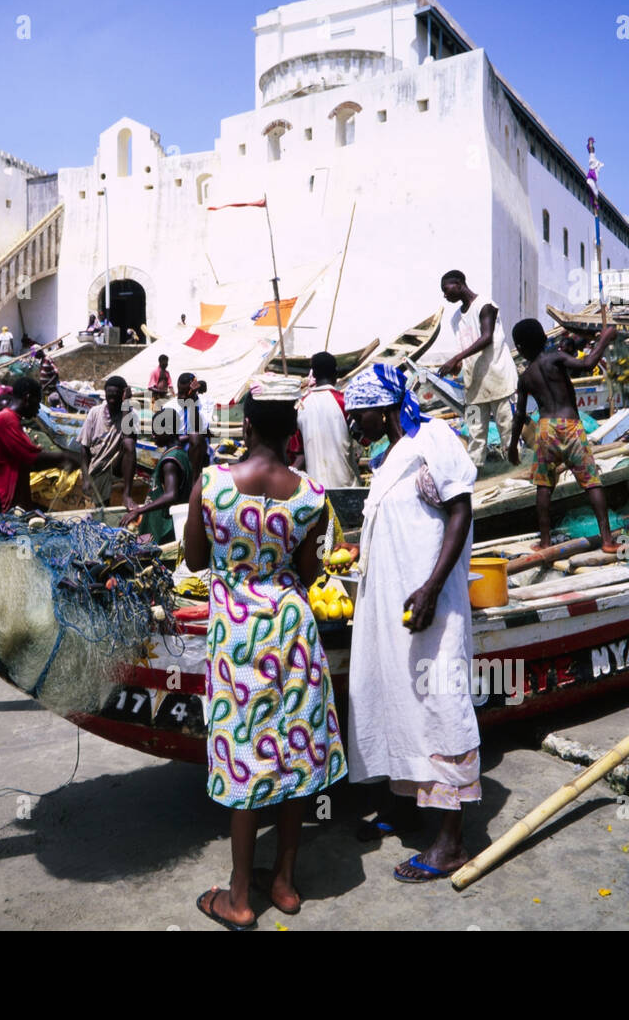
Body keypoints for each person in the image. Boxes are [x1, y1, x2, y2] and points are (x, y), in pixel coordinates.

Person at [184, 380, 345, 929]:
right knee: (292, 751)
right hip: (293, 633)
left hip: (237, 636)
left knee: (243, 755)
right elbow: (307, 574)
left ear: (246, 426)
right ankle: (283, 882)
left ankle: (237, 896)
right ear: (293, 433)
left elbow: (194, 559)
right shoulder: (312, 496)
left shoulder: (210, 484)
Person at [343, 362, 480, 881]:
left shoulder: (434, 439)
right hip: (392, 607)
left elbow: (460, 511)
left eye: (361, 418)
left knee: (439, 703)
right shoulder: (389, 459)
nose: (357, 430)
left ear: (384, 408)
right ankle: (404, 805)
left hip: (431, 606)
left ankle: (451, 840)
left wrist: (431, 586)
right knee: (395, 698)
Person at [509, 319, 619, 552]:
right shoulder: (556, 358)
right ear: (543, 339)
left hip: (546, 428)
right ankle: (608, 540)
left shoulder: (526, 376)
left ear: (520, 348)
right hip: (571, 425)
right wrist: (604, 340)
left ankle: (546, 542)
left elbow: (519, 415)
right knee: (591, 482)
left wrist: (511, 446)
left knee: (544, 486)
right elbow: (588, 363)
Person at [438, 269, 518, 468]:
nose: (444, 295)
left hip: (499, 381)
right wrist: (456, 365)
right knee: (474, 433)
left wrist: (456, 358)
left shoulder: (485, 306)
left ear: (458, 283)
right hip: (473, 388)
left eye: (446, 289)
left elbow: (486, 337)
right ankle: (476, 474)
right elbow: (465, 349)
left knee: (507, 428)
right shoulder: (455, 318)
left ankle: (516, 471)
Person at [0, 378, 77, 514]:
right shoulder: (7, 420)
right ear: (27, 398)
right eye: (37, 402)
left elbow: (26, 463)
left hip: (13, 503)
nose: (39, 408)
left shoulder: (12, 420)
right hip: (5, 505)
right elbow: (32, 458)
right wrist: (66, 458)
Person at [121, 407, 191, 543]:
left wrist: (139, 511)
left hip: (165, 530)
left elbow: (171, 495)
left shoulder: (170, 461)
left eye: (156, 430)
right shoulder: (182, 454)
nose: (153, 435)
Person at [292, 351, 358, 489]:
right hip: (347, 488)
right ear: (335, 374)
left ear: (313, 375)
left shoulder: (301, 406)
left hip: (316, 491)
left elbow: (298, 453)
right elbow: (364, 438)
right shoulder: (345, 402)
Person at [79, 376, 138, 510]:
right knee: (100, 508)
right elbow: (84, 448)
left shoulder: (130, 413)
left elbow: (128, 437)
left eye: (116, 396)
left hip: (116, 465)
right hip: (97, 465)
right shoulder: (95, 412)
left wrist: (126, 404)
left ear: (123, 395)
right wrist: (86, 478)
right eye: (109, 395)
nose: (112, 399)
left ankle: (127, 496)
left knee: (128, 443)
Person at [176, 373, 210, 474]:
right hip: (176, 447)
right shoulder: (171, 406)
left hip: (197, 450)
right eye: (179, 392)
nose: (181, 397)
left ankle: (194, 479)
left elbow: (199, 429)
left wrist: (192, 403)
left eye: (185, 393)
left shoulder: (205, 404)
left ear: (194, 392)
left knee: (195, 437)